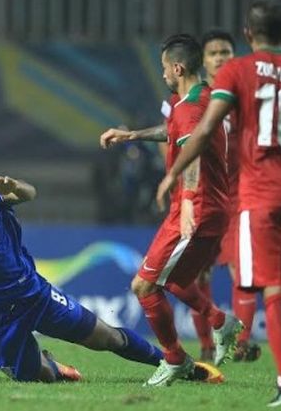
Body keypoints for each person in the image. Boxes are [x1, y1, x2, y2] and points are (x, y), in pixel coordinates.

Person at [0, 132, 225, 385]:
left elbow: (29, 193)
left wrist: (14, 187)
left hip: (33, 295)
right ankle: (50, 363)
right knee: (43, 379)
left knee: (105, 337)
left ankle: (177, 364)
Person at [156, 0, 281, 406]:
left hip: (259, 193)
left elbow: (201, 132)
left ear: (248, 35)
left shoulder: (237, 73)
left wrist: (173, 175)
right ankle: (236, 346)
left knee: (272, 286)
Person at [100, 34, 242, 386]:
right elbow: (176, 133)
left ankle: (176, 358)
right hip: (206, 205)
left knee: (144, 286)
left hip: (197, 205)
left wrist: (190, 201)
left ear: (177, 68)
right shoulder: (197, 100)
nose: (163, 74)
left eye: (164, 68)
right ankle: (221, 323)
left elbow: (190, 155)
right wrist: (132, 135)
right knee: (175, 281)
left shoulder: (190, 106)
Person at [200, 29, 261, 363]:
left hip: (240, 198)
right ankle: (206, 343)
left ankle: (240, 343)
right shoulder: (197, 97)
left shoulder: (247, 96)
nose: (220, 57)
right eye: (213, 53)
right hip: (205, 195)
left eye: (226, 51)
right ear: (204, 60)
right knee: (196, 273)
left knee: (242, 269)